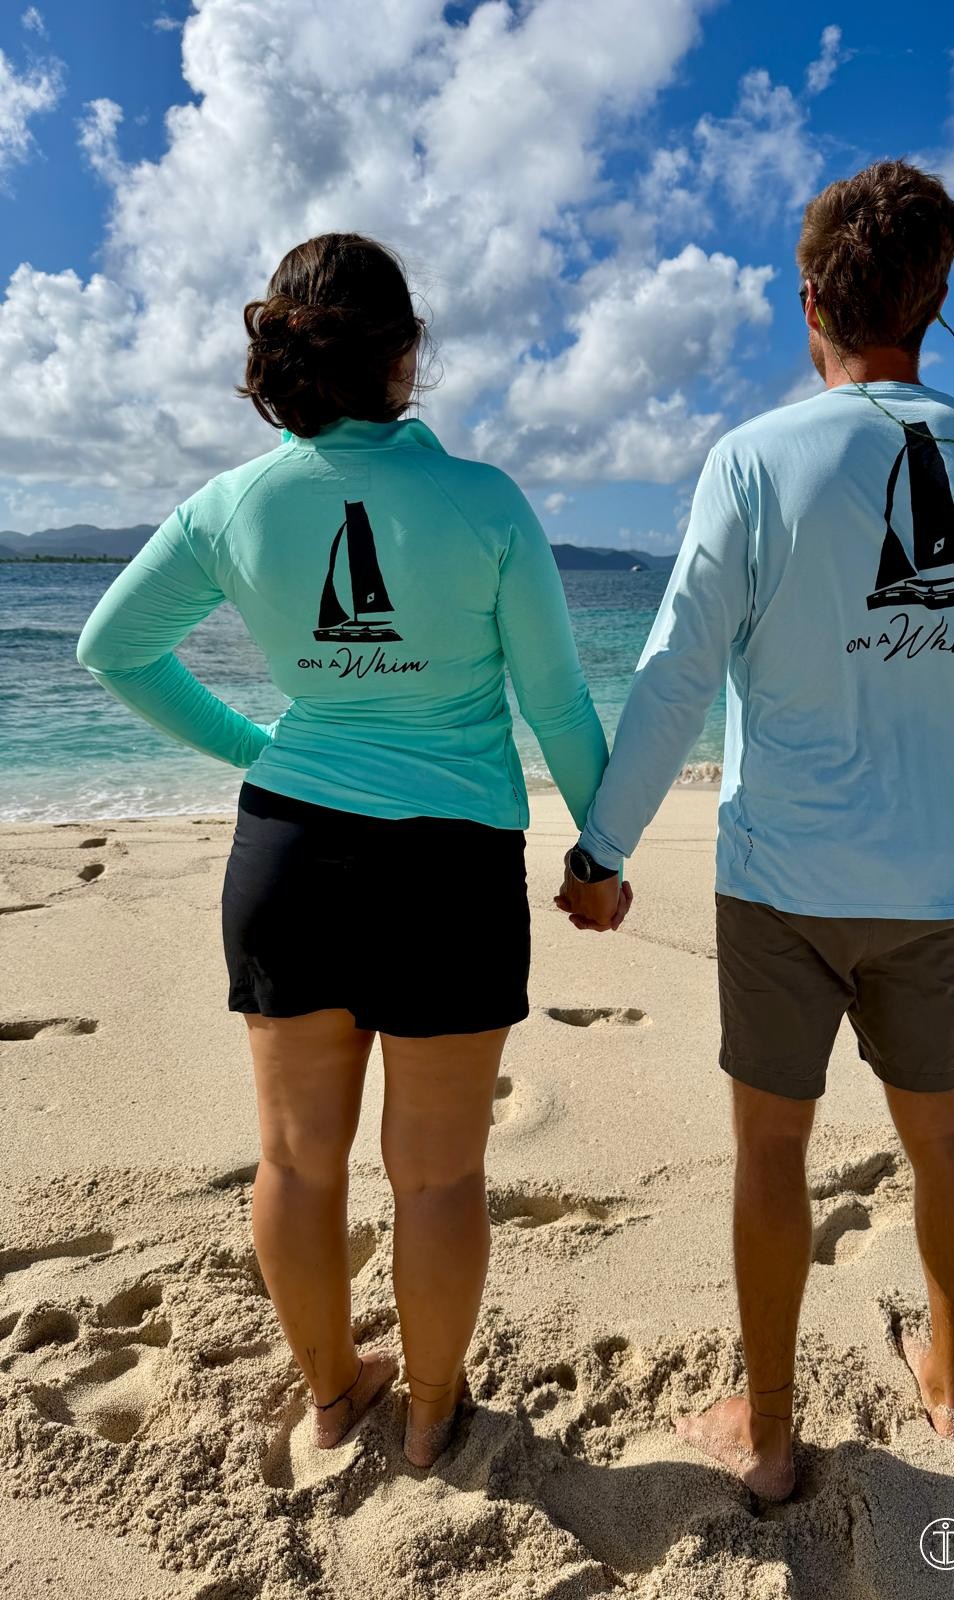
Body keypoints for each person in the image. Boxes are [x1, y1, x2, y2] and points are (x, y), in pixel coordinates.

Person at [557, 161, 954, 1498]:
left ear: (808, 303)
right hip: (936, 881)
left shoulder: (754, 459)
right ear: (935, 302)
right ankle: (952, 1388)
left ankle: (770, 1434)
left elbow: (676, 669)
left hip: (780, 882)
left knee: (771, 1149)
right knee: (941, 1138)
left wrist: (603, 851)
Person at [77, 233, 621, 1466]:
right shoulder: (485, 501)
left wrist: (261, 745)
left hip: (289, 855)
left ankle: (332, 1396)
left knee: (294, 1159)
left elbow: (113, 649)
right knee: (437, 1177)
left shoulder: (234, 504)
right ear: (407, 352)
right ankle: (429, 1416)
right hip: (450, 867)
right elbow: (557, 706)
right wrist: (601, 855)